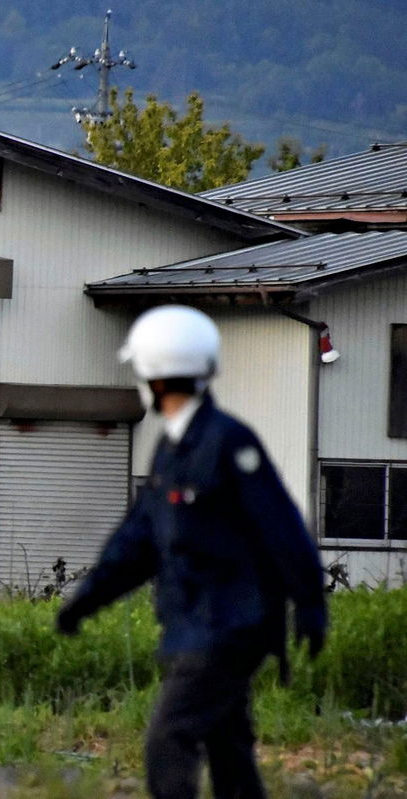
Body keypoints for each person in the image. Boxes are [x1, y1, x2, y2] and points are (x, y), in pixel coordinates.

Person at [56, 305, 327, 799]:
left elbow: (282, 527)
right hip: (194, 622)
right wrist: (85, 601)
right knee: (228, 750)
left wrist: (311, 605)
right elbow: (137, 543)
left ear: (155, 379)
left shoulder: (227, 442)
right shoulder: (172, 449)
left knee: (170, 735)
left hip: (230, 625)